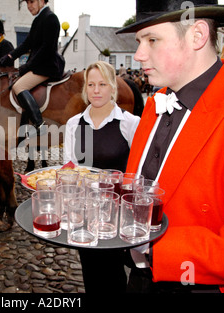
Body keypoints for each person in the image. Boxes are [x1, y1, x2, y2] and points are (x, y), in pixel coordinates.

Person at [116, 0, 224, 293]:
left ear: (197, 35)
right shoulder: (154, 103)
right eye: (139, 41)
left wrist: (154, 250)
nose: (138, 54)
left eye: (152, 40)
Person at [63, 61, 140, 293]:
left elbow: (137, 173)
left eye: (102, 84)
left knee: (114, 273)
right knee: (91, 272)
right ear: (85, 89)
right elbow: (69, 169)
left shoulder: (130, 123)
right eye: (91, 84)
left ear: (112, 88)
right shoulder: (73, 124)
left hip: (115, 216)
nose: (96, 90)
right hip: (85, 213)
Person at [0, 0, 64, 135]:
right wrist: (10, 56)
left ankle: (39, 124)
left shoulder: (50, 18)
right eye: (27, 3)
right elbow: (27, 43)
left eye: (32, 2)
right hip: (39, 65)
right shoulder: (38, 19)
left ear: (41, 1)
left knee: (18, 87)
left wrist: (27, 66)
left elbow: (47, 49)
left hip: (47, 66)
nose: (29, 6)